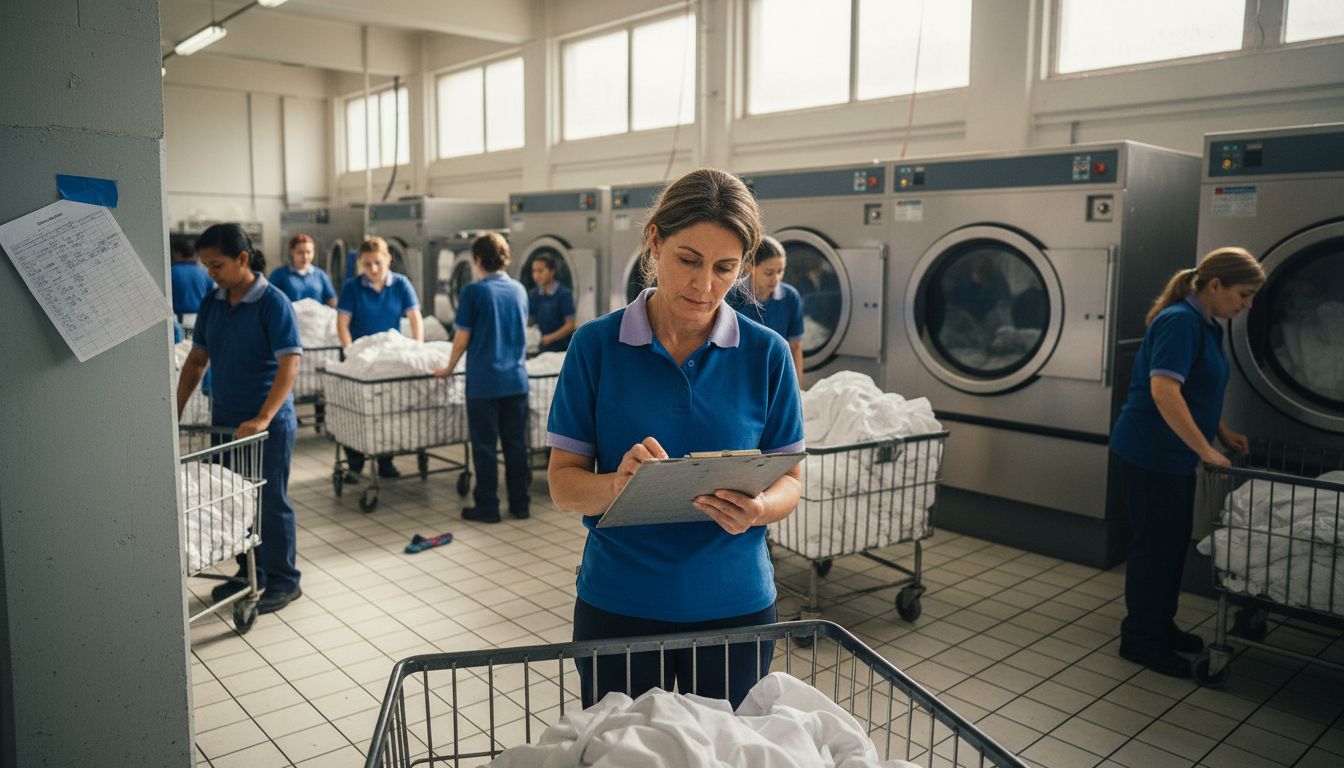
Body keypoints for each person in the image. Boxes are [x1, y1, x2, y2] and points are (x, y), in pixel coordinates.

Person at [545, 168, 805, 708]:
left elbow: (792, 480)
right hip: (620, 606)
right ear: (655, 242)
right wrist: (619, 484)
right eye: (688, 260)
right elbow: (563, 486)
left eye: (724, 268)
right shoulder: (595, 348)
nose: (704, 285)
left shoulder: (768, 354)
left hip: (735, 607)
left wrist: (759, 508)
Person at [1109, 247, 1265, 678]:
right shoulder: (1179, 320)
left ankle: (1158, 625)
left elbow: (1196, 387)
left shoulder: (1205, 323)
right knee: (1155, 548)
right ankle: (1139, 640)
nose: (1248, 305)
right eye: (1244, 294)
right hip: (1149, 453)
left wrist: (1221, 431)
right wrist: (1204, 450)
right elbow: (1164, 392)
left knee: (1169, 545)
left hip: (1170, 454)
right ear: (1215, 285)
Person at [176, 224, 304, 614]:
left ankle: (283, 579)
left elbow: (289, 364)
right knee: (234, 497)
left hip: (267, 424)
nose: (210, 273)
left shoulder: (273, 303)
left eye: (217, 265)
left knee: (269, 500)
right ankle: (250, 570)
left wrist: (264, 416)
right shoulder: (214, 303)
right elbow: (197, 360)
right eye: (206, 265)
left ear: (243, 259)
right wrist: (173, 412)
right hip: (227, 421)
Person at [433, 233, 531, 523]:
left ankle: (488, 507)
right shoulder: (519, 290)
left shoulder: (473, 292)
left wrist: (448, 368)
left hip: (485, 383)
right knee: (515, 446)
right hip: (516, 379)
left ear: (477, 259)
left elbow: (462, 338)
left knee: (485, 447)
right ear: (504, 257)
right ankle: (520, 504)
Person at [336, 236, 424, 479]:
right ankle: (355, 465)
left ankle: (386, 462)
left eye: (378, 263)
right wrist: (350, 352)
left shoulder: (401, 284)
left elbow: (415, 318)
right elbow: (342, 324)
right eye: (367, 264)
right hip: (361, 356)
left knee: (387, 410)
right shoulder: (353, 287)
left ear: (388, 260)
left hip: (388, 358)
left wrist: (418, 348)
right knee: (354, 410)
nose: (373, 269)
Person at [727, 235, 804, 388]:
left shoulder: (790, 297)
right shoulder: (731, 295)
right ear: (750, 267)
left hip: (775, 370)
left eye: (780, 271)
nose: (776, 280)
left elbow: (795, 346)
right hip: (737, 373)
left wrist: (798, 390)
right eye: (769, 273)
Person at [527, 253, 577, 353]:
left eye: (540, 271)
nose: (536, 275)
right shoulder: (534, 294)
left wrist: (549, 338)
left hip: (560, 349)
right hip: (540, 348)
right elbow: (529, 319)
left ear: (552, 271)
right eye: (534, 271)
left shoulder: (563, 294)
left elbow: (570, 324)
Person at [270, 234, 337, 306]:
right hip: (291, 316)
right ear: (292, 252)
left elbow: (332, 300)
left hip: (317, 316)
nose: (305, 256)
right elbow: (270, 300)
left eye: (308, 252)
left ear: (313, 252)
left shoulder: (320, 275)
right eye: (300, 252)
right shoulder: (279, 275)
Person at [169, 235, 214, 325]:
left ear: (177, 253)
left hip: (176, 320)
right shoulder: (206, 273)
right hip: (200, 320)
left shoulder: (170, 272)